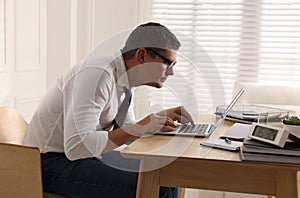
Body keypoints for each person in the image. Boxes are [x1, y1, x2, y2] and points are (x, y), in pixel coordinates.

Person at [22, 22, 194, 198]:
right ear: (141, 55)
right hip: (49, 164)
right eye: (168, 63)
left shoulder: (126, 81)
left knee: (168, 173)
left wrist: (156, 122)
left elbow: (125, 130)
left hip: (83, 157)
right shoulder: (97, 74)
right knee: (159, 187)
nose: (171, 73)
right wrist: (142, 126)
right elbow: (77, 146)